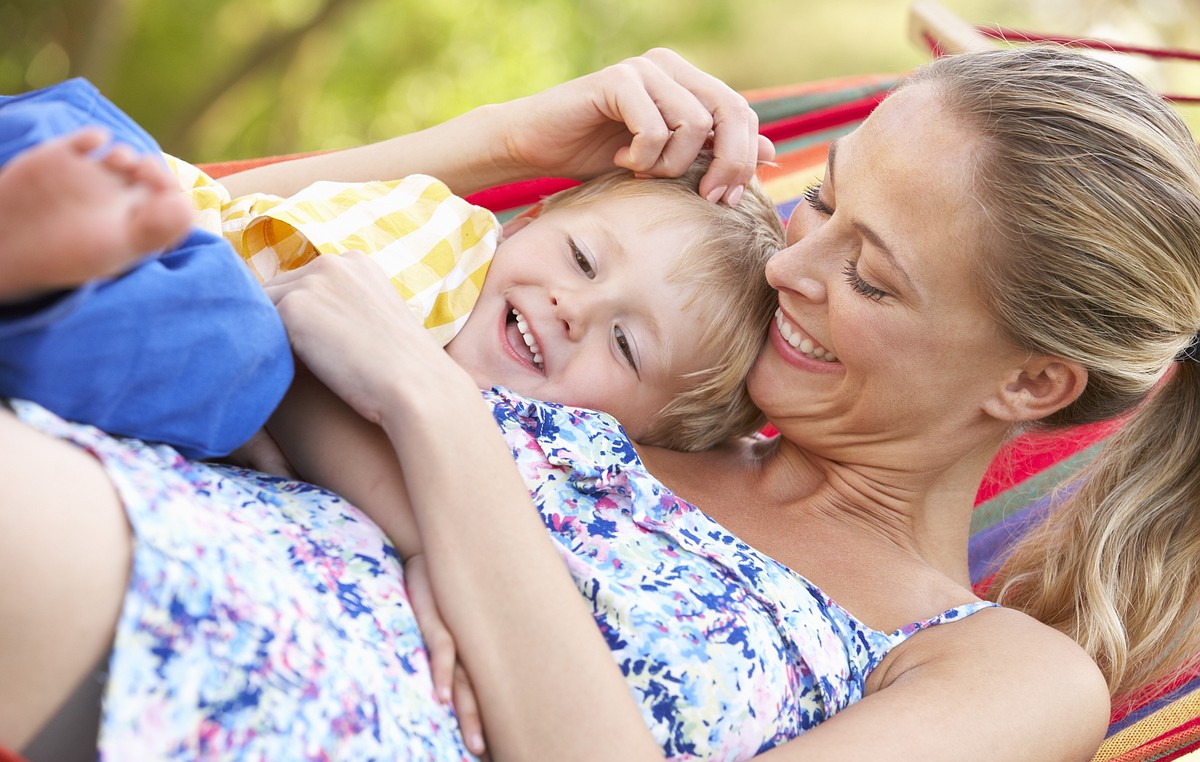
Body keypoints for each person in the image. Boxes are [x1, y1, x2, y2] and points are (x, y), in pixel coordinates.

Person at [2, 45, 1199, 762]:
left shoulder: (999, 670)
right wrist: (497, 143)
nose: (792, 268)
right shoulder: (659, 381)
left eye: (872, 277)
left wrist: (433, 429)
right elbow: (210, 263)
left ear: (1032, 387)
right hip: (144, 495)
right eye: (821, 202)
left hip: (254, 697)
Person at [0, 77, 783, 461]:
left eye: (626, 346)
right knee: (243, 351)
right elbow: (230, 215)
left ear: (637, 438)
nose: (573, 306)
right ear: (530, 220)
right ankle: (41, 239)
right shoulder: (445, 234)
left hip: (155, 273)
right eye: (581, 258)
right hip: (166, 233)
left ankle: (36, 253)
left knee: (240, 357)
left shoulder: (504, 445)